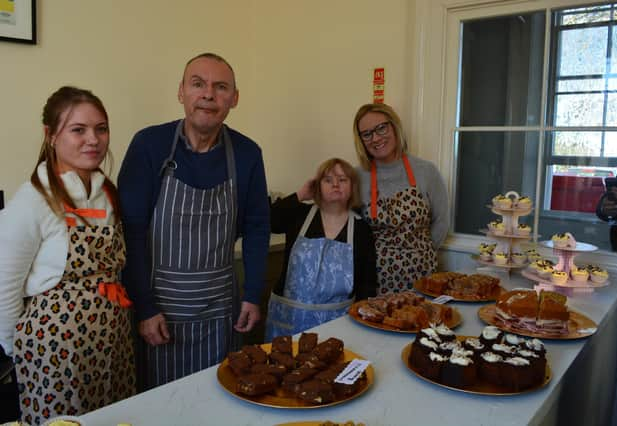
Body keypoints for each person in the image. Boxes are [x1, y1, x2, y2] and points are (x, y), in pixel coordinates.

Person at [117, 52, 270, 389]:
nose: (208, 94)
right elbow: (131, 232)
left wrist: (253, 294)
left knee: (218, 398)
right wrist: (144, 307)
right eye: (197, 84)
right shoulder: (149, 145)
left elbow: (258, 227)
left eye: (220, 87)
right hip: (159, 314)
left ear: (234, 98)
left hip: (221, 314)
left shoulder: (247, 154)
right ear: (181, 92)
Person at [0, 86, 135, 424]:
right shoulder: (34, 199)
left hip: (111, 340)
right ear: (50, 135)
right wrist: (16, 351)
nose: (93, 139)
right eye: (78, 130)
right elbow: (4, 283)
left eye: (101, 128)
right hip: (54, 350)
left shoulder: (106, 192)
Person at [265, 158, 377, 340]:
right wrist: (300, 194)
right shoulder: (298, 215)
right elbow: (266, 221)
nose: (335, 184)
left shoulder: (361, 228)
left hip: (337, 325)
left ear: (352, 187)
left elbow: (367, 282)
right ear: (317, 186)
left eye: (342, 180)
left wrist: (362, 321)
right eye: (327, 180)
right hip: (288, 322)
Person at [352, 103, 449, 295]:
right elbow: (349, 230)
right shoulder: (356, 178)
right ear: (361, 140)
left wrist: (417, 255)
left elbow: (441, 223)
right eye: (367, 134)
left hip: (422, 278)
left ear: (394, 126)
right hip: (373, 283)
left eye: (381, 128)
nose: (376, 138)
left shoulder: (426, 171)